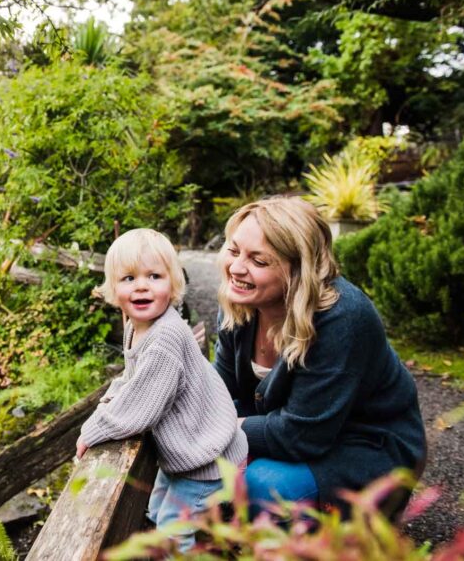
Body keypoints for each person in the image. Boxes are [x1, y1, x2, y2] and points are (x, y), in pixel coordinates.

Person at [212, 196, 426, 518]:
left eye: (258, 261)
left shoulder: (343, 318)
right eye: (233, 250)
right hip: (287, 423)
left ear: (298, 270)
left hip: (363, 444)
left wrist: (220, 429)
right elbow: (220, 392)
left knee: (264, 485)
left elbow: (300, 437)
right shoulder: (240, 300)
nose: (237, 268)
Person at [76, 228, 248, 551]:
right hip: (188, 450)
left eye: (154, 276)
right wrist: (110, 398)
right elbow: (133, 379)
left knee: (172, 527)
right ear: (112, 288)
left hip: (207, 459)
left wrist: (91, 430)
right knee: (155, 510)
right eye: (128, 278)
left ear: (172, 284)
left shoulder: (165, 339)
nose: (141, 286)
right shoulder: (137, 324)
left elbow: (140, 408)